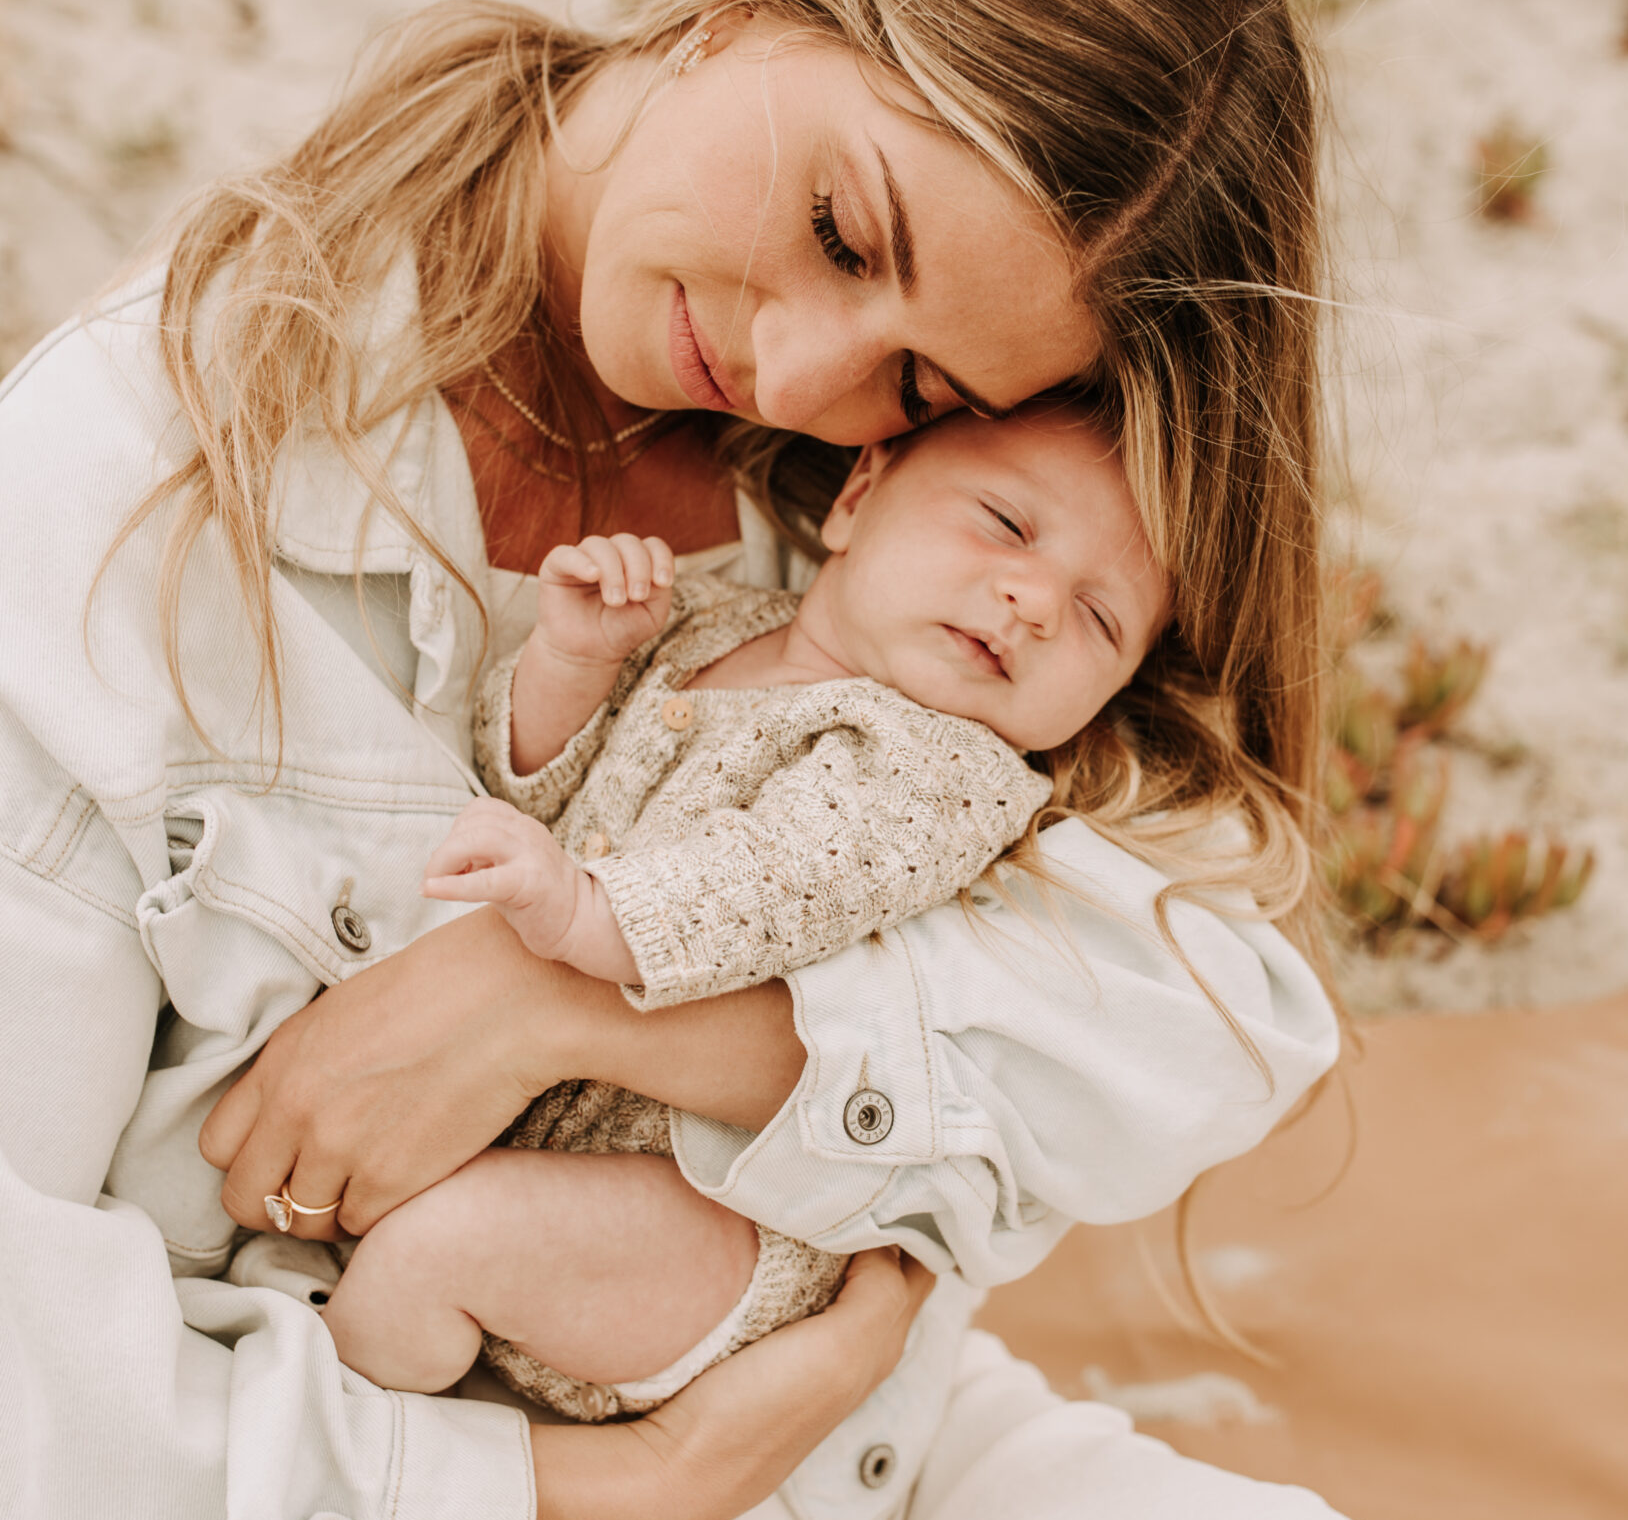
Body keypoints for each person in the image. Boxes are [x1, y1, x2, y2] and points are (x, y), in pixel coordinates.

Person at [1, 0, 1628, 1520]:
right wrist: (614, 1485)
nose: (800, 375)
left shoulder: (948, 498)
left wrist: (585, 1001)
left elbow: (1201, 992)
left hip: (907, 1487)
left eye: (912, 392)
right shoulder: (121, 505)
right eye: (836, 227)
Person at [318, 398, 1169, 1416]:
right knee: (421, 1242)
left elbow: (776, 884)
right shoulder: (716, 619)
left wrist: (581, 908)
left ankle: (351, 1437)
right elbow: (539, 794)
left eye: (1098, 618)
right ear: (857, 496)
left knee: (432, 1255)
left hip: (708, 1217)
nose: (1033, 600)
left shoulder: (946, 770)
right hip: (549, 1140)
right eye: (1005, 524)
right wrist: (572, 664)